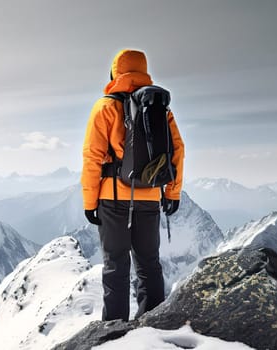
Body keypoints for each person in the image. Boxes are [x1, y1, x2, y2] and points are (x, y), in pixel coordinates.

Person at [81, 49, 185, 322]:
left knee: (116, 266)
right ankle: (154, 327)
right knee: (149, 265)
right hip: (149, 196)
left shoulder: (105, 107)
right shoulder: (160, 110)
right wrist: (171, 192)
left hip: (113, 198)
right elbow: (177, 150)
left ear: (115, 72)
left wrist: (90, 202)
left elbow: (92, 157)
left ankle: (114, 332)